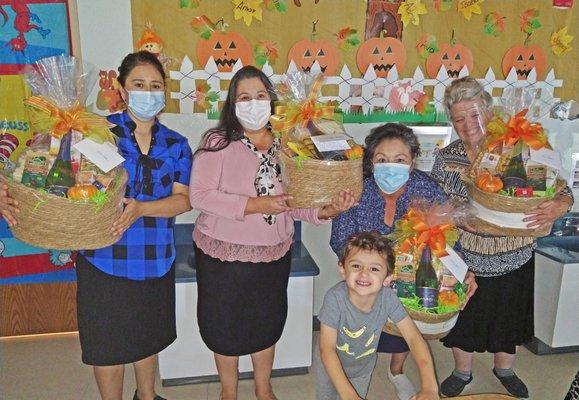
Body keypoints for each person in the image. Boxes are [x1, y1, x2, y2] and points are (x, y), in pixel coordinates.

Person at [1, 51, 193, 400]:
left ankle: (147, 396)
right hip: (104, 256)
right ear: (121, 87)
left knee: (147, 334)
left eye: (155, 86)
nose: (148, 93)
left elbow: (184, 199)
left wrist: (142, 209)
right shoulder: (95, 134)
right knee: (108, 341)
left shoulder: (177, 144)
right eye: (138, 84)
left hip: (155, 257)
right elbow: (45, 175)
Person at [189, 65, 356, 400]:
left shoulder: (289, 143)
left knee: (266, 322)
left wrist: (323, 211)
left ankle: (264, 387)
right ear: (232, 105)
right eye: (244, 97)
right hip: (223, 256)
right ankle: (228, 390)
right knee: (224, 326)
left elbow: (292, 202)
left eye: (261, 96)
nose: (253, 103)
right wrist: (256, 205)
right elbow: (200, 196)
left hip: (273, 252)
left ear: (272, 101)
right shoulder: (218, 142)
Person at [432, 76, 574, 398]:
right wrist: (453, 217)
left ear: (488, 111)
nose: (468, 125)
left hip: (515, 255)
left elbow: (561, 189)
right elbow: (437, 203)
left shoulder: (517, 148)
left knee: (509, 320)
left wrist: (559, 205)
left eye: (474, 115)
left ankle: (504, 369)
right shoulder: (446, 159)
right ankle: (462, 372)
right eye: (458, 119)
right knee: (464, 320)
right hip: (465, 259)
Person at [329, 123, 476, 400]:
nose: (390, 166)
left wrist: (463, 270)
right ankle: (352, 372)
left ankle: (396, 371)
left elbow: (447, 239)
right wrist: (367, 271)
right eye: (381, 160)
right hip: (366, 277)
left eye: (400, 160)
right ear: (370, 163)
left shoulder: (426, 190)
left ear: (412, 162)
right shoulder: (357, 189)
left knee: (404, 329)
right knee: (355, 337)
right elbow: (340, 240)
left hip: (409, 280)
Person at [316, 231, 438, 400]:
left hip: (362, 370)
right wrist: (347, 394)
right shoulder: (334, 299)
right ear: (343, 270)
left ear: (387, 278)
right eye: (356, 266)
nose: (364, 273)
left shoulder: (388, 298)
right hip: (329, 367)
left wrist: (429, 387)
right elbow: (327, 349)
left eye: (374, 268)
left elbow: (414, 339)